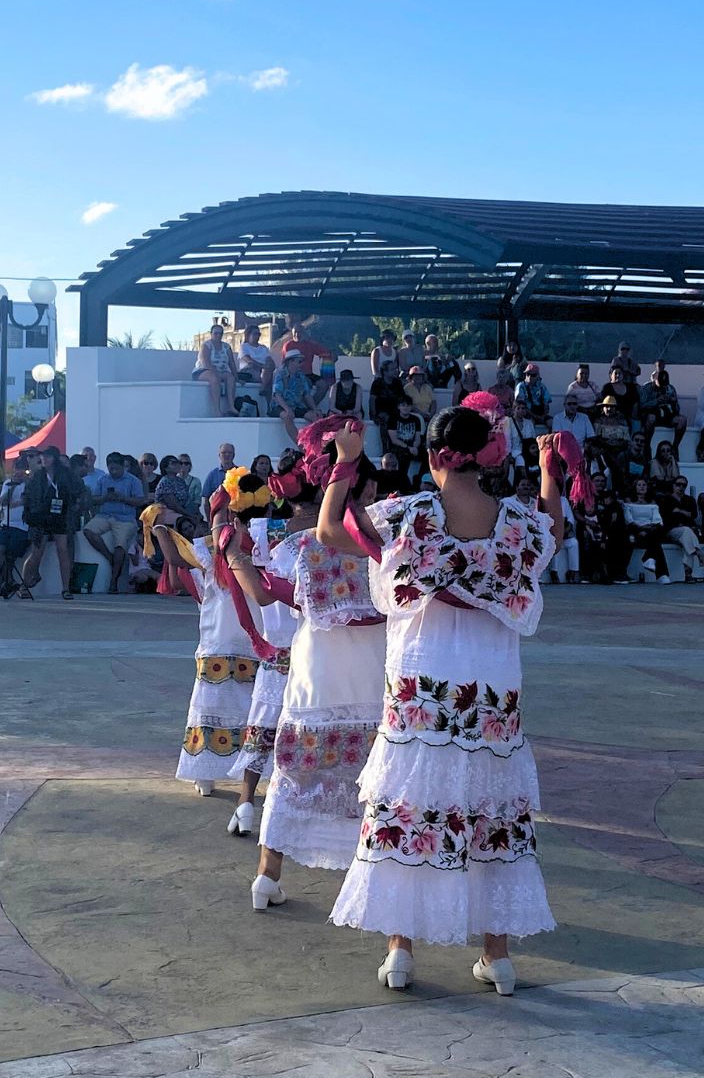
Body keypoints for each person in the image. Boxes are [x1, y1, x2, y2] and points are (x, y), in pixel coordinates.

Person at [323, 405, 562, 992]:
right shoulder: (516, 524)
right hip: (490, 696)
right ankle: (497, 959)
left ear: (433, 457)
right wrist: (550, 472)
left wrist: (346, 463)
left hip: (422, 694)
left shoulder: (410, 515)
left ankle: (401, 953)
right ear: (486, 455)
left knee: (414, 805)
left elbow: (331, 531)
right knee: (491, 808)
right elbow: (553, 528)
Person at [252, 418, 385, 912]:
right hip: (373, 671)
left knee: (297, 768)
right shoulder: (386, 545)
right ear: (366, 486)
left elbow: (274, 593)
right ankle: (371, 881)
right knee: (372, 776)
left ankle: (267, 876)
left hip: (317, 671)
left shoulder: (301, 546)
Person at [222, 452, 319, 836]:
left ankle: (246, 803)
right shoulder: (335, 533)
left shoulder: (265, 533)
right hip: (318, 651)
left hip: (278, 649)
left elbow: (258, 593)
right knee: (314, 731)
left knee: (262, 728)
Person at [157, 471, 267, 798]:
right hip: (244, 640)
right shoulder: (252, 544)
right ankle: (214, 772)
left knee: (223, 707)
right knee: (251, 709)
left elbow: (176, 559)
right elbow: (180, 565)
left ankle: (208, 773)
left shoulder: (232, 546)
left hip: (234, 641)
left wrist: (158, 528)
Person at [84, 451, 146, 593]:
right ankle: (109, 557)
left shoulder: (132, 481)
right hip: (105, 515)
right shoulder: (103, 480)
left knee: (120, 545)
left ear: (122, 466)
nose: (113, 472)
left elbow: (140, 501)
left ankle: (113, 581)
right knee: (88, 531)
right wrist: (105, 498)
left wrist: (123, 498)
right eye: (110, 468)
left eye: (116, 469)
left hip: (125, 519)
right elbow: (94, 499)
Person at [20, 446, 75, 599]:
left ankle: (66, 588)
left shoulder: (65, 474)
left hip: (60, 517)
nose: (44, 459)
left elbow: (78, 491)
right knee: (36, 553)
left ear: (55, 458)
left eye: (48, 456)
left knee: (63, 551)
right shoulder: (37, 476)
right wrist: (31, 512)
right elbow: (27, 496)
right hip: (41, 518)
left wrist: (74, 507)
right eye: (43, 456)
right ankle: (23, 586)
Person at [0, 456, 31, 597]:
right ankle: (10, 581)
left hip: (22, 526)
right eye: (17, 468)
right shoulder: (8, 483)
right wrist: (13, 487)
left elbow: (28, 502)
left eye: (22, 468)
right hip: (6, 524)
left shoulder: (30, 484)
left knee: (10, 555)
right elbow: (4, 502)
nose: (19, 471)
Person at [623, 477, 670, 583]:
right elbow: (628, 520)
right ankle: (661, 574)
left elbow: (657, 519)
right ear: (634, 487)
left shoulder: (652, 502)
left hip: (650, 532)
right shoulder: (628, 502)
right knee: (656, 544)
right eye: (639, 485)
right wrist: (640, 530)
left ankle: (649, 558)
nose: (642, 487)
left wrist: (647, 530)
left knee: (658, 531)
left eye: (644, 485)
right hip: (635, 532)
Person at [270, 350, 320, 444]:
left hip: (296, 406)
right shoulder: (280, 374)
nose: (301, 364)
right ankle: (300, 445)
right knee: (287, 416)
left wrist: (315, 409)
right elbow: (277, 395)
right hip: (279, 406)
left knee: (315, 417)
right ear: (290, 361)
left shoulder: (301, 376)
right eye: (299, 361)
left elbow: (307, 394)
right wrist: (288, 409)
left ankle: (314, 444)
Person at [660, 476, 703, 583]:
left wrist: (679, 511)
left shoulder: (689, 500)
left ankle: (688, 574)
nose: (681, 487)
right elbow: (665, 517)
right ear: (673, 485)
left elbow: (693, 515)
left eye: (684, 485)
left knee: (686, 538)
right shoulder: (666, 500)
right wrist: (684, 514)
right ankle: (698, 552)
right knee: (687, 531)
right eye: (678, 484)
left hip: (685, 532)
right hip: (671, 530)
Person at [192, 323, 240, 417]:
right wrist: (217, 373)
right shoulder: (206, 345)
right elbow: (205, 362)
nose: (218, 335)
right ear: (211, 333)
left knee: (230, 378)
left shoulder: (226, 347)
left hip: (222, 372)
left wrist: (236, 377)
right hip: (203, 371)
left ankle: (231, 406)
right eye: (216, 333)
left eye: (220, 333)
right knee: (214, 378)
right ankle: (217, 410)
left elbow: (231, 363)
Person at [639, 368, 687, 458]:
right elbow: (642, 405)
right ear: (654, 380)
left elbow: (677, 408)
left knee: (682, 420)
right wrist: (656, 401)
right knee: (651, 418)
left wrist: (673, 401)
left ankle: (675, 446)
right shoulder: (646, 388)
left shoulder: (670, 388)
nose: (662, 387)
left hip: (667, 415)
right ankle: (647, 446)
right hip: (652, 415)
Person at [281, 322, 332, 405]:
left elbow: (326, 352)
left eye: (299, 332)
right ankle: (305, 407)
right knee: (305, 384)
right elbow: (285, 363)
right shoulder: (288, 345)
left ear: (304, 333)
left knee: (324, 385)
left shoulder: (310, 344)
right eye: (295, 332)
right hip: (294, 375)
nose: (297, 334)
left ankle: (310, 407)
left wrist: (332, 354)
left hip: (309, 374)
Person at [369, 361, 406, 451]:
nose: (396, 371)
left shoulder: (397, 383)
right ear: (385, 372)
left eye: (396, 369)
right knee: (387, 419)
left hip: (396, 411)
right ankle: (386, 449)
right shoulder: (377, 383)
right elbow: (372, 400)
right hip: (382, 412)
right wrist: (373, 415)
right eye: (393, 369)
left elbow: (402, 399)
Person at [237, 324, 275, 406]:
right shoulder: (244, 347)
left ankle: (267, 398)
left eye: (259, 334)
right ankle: (267, 398)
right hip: (249, 370)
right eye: (255, 334)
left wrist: (268, 366)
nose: (257, 336)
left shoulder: (264, 348)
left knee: (269, 372)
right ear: (248, 335)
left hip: (264, 371)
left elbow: (270, 361)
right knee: (268, 376)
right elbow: (249, 361)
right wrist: (263, 366)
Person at [388, 395, 423, 481]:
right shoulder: (393, 419)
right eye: (403, 405)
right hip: (399, 446)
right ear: (398, 407)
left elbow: (418, 437)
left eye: (408, 405)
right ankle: (403, 482)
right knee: (404, 456)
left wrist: (415, 447)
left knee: (428, 455)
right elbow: (394, 439)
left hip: (412, 446)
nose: (406, 408)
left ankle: (419, 479)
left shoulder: (416, 419)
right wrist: (408, 447)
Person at [549, 493, 579, 584]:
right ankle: (554, 572)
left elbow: (570, 519)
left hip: (564, 533)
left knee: (574, 543)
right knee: (555, 543)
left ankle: (573, 571)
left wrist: (564, 531)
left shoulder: (563, 500)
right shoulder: (545, 498)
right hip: (551, 534)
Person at [514, 364, 552, 431]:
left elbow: (546, 405)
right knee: (530, 424)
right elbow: (521, 405)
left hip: (541, 413)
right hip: (527, 414)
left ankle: (549, 440)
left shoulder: (542, 387)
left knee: (552, 423)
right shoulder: (521, 386)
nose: (529, 377)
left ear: (538, 376)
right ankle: (530, 440)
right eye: (527, 374)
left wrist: (543, 416)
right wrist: (535, 416)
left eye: (533, 375)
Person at [595, 395, 631, 460]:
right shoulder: (599, 421)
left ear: (615, 408)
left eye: (612, 407)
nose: (609, 409)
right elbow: (596, 438)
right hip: (604, 450)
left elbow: (627, 439)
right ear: (603, 408)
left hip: (620, 450)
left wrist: (619, 445)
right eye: (607, 406)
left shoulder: (622, 421)